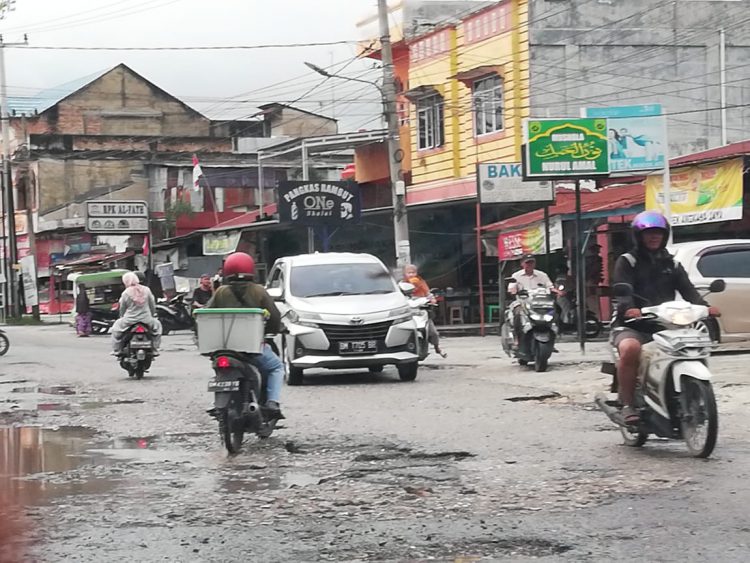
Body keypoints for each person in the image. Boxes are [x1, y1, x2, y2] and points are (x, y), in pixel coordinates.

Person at [611, 211, 720, 424]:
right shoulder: (628, 261)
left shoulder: (673, 264)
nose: (654, 237)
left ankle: (688, 394)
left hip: (666, 323)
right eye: (649, 233)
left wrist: (705, 308)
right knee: (630, 349)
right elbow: (622, 291)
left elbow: (689, 292)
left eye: (658, 233)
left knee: (691, 344)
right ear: (638, 236)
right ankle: (627, 403)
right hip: (634, 324)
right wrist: (629, 309)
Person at [205, 252, 284, 419]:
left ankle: (218, 403)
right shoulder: (259, 291)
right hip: (252, 349)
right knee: (276, 367)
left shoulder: (220, 292)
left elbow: (205, 313)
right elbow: (274, 317)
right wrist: (277, 328)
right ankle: (272, 402)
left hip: (224, 347)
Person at [508, 255, 556, 353]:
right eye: (527, 263)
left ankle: (552, 339)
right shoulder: (516, 276)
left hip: (540, 302)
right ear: (522, 264)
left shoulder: (542, 275)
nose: (529, 265)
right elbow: (511, 288)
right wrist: (513, 290)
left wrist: (557, 291)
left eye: (532, 262)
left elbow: (550, 287)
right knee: (517, 313)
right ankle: (517, 339)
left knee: (555, 311)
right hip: (521, 302)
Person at [111, 272, 163, 356]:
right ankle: (155, 349)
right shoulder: (146, 290)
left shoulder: (126, 293)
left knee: (115, 330)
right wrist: (152, 315)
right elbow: (152, 305)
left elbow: (122, 308)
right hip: (146, 319)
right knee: (158, 328)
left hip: (129, 320)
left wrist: (121, 316)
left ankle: (117, 350)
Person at [403, 264, 447, 358]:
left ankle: (437, 347)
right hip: (410, 312)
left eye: (413, 272)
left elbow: (428, 292)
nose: (411, 275)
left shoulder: (421, 282)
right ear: (405, 274)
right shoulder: (402, 284)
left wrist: (432, 299)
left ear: (416, 273)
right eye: (409, 273)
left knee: (433, 333)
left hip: (421, 310)